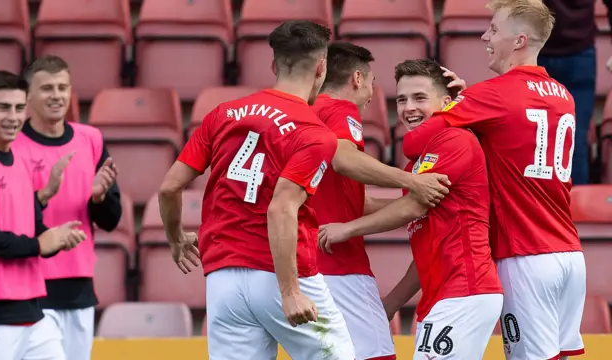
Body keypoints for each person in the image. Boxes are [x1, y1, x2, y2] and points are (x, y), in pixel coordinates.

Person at [158, 20, 355, 360]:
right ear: (321, 67)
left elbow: (169, 187)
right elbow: (281, 209)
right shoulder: (314, 133)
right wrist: (290, 291)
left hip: (223, 283)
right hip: (280, 275)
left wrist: (176, 239)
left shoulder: (222, 114)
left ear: (274, 64)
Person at [402, 1, 586, 359]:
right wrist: (470, 106)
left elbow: (413, 143)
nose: (485, 36)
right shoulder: (564, 95)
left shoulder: (491, 95)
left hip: (525, 255)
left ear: (518, 41)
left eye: (493, 29)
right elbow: (511, 131)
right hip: (569, 254)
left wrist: (455, 107)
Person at [320, 59, 503, 360]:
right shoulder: (417, 162)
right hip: (443, 296)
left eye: (420, 98)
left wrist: (348, 228)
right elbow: (425, 252)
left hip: (465, 290)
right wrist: (390, 304)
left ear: (447, 102)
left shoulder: (454, 139)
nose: (409, 108)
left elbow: (412, 206)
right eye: (402, 100)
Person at [309, 42, 455, 360]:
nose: (374, 95)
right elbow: (344, 159)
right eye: (399, 98)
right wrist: (411, 184)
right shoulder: (339, 110)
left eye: (418, 98)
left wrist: (413, 201)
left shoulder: (308, 115)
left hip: (310, 269)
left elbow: (356, 204)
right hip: (339, 267)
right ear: (358, 79)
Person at [11, 55, 122, 360]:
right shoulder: (12, 145)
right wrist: (44, 196)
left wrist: (98, 198)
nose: (57, 95)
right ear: (28, 95)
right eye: (47, 88)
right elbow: (3, 218)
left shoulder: (91, 139)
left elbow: (111, 220)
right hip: (29, 287)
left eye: (62, 87)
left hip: (79, 292)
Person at [0, 70, 86, 360]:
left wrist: (57, 238)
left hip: (33, 309)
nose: (13, 116)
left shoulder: (21, 160)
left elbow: (32, 226)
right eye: (3, 107)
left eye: (19, 108)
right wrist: (39, 245)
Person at [540, 0, 612, 185]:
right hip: (577, 52)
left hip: (538, 49)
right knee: (574, 136)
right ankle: (577, 207)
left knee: (537, 134)